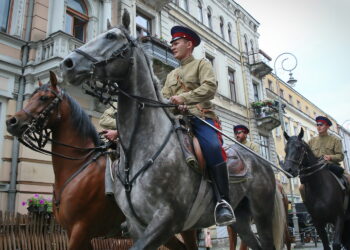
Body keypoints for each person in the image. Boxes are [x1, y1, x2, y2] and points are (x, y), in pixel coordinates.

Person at [162, 25, 235, 225]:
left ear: (189, 44)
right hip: (178, 120)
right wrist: (173, 106)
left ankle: (223, 202)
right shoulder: (171, 75)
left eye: (176, 43)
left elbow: (209, 88)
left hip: (201, 118)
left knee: (212, 147)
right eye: (172, 44)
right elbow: (166, 100)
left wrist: (184, 98)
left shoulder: (202, 65)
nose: (173, 47)